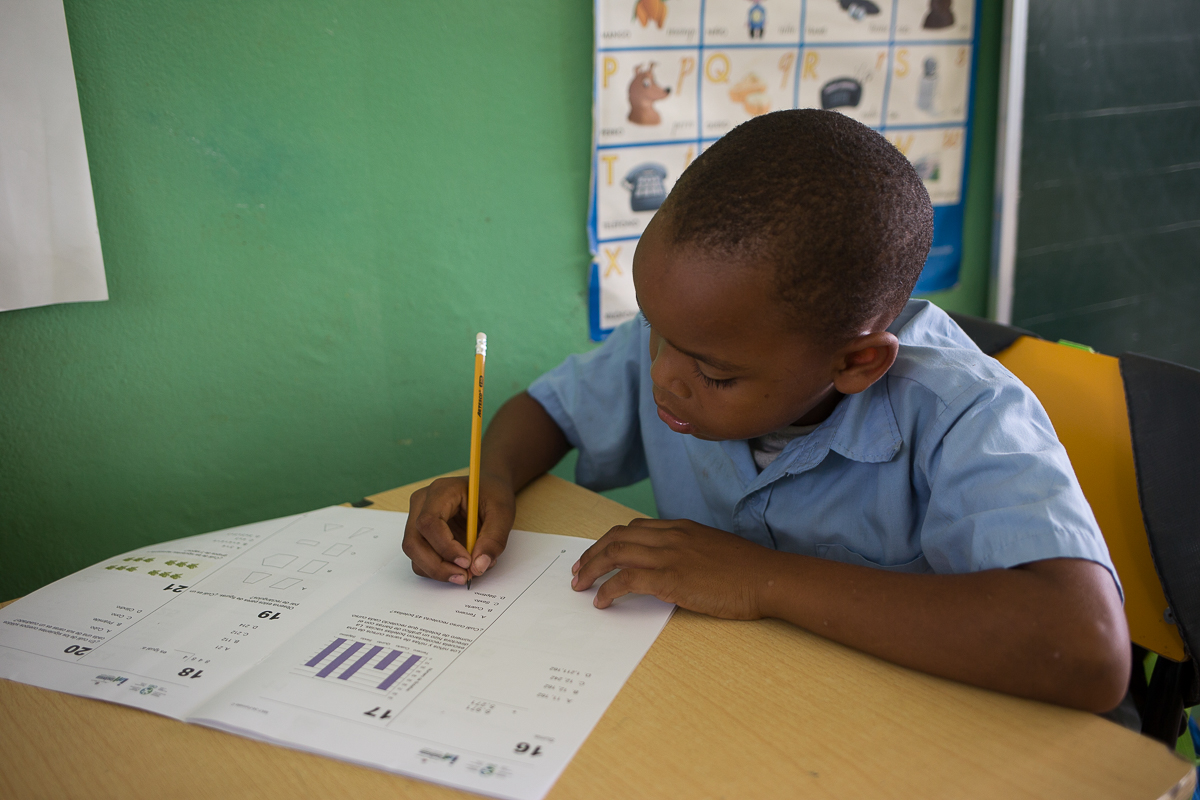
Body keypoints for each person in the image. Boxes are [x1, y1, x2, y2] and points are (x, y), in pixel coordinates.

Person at [402, 109, 1129, 712]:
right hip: (738, 702)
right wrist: (492, 476)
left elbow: (1088, 648)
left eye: (713, 375)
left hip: (911, 730)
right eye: (656, 334)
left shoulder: (963, 414)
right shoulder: (697, 334)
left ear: (854, 363)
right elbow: (551, 410)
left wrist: (761, 581)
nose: (663, 379)